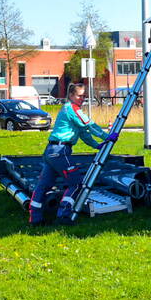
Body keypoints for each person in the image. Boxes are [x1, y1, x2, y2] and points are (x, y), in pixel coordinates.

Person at [27, 83, 118, 226]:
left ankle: (35, 219)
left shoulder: (70, 111)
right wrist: (106, 136)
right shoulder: (72, 109)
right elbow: (88, 125)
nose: (82, 99)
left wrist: (97, 145)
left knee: (43, 185)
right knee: (76, 183)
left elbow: (84, 134)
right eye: (79, 95)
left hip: (52, 151)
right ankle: (63, 216)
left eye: (84, 96)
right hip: (60, 152)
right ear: (71, 96)